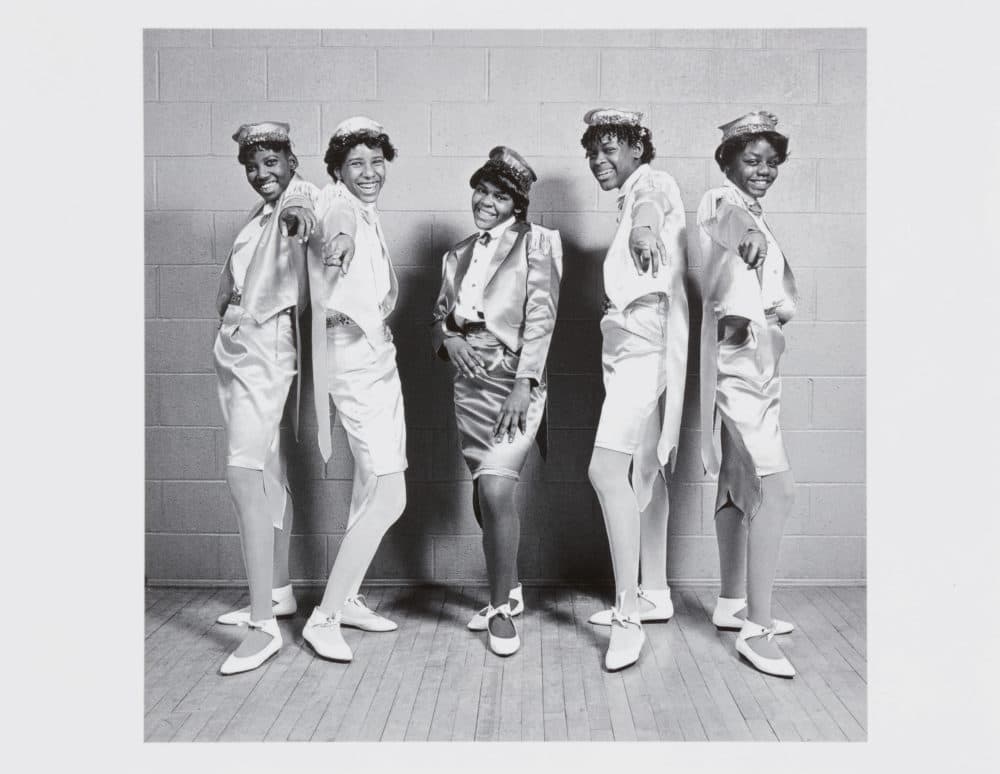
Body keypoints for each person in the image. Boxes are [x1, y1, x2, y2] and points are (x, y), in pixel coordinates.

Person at [431, 147, 562, 656]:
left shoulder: (539, 244)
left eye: (500, 195)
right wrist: (450, 338)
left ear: (517, 204)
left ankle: (501, 608)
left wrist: (524, 383)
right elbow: (439, 317)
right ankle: (510, 586)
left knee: (497, 490)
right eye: (482, 191)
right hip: (469, 380)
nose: (486, 202)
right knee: (485, 491)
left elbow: (542, 316)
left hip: (515, 378)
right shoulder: (455, 253)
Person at [288, 116, 408, 663]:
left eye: (376, 161)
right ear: (337, 169)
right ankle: (325, 616)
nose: (369, 172)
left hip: (378, 357)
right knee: (390, 493)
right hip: (353, 362)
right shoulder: (336, 202)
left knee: (369, 485)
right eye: (356, 163)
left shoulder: (368, 210)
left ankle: (350, 597)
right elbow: (337, 225)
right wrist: (336, 242)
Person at [579, 109, 689, 671]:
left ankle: (627, 616)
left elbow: (653, 205)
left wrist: (644, 226)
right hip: (628, 347)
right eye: (593, 152)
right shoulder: (629, 199)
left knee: (606, 471)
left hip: (644, 354)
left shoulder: (651, 183)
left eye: (611, 149)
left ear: (637, 149)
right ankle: (655, 592)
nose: (600, 160)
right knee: (646, 467)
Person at [213, 122, 319, 675]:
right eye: (253, 167)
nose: (263, 174)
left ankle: (263, 627)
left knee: (243, 474)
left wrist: (300, 216)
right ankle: (278, 590)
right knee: (270, 470)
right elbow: (237, 277)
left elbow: (305, 207)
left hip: (266, 347)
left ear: (291, 158)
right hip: (238, 345)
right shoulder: (257, 217)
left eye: (272, 162)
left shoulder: (299, 198)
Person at [698, 111, 799, 678]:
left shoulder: (755, 211)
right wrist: (751, 238)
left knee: (738, 485)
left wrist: (775, 313)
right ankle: (756, 632)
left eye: (771, 162)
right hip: (739, 372)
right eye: (751, 160)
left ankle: (732, 601)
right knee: (774, 492)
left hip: (760, 365)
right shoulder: (721, 201)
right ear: (728, 162)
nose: (763, 170)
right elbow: (731, 223)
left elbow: (771, 289)